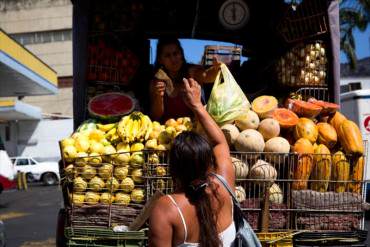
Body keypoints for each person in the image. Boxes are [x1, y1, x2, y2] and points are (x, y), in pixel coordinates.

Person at [149, 78, 236, 247]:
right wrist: (197, 105)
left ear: (173, 169)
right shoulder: (224, 186)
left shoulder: (167, 209)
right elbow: (220, 142)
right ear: (209, 162)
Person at [149, 38, 221, 122]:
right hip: (167, 132)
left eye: (175, 53)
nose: (173, 59)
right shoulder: (156, 83)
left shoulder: (192, 72)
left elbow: (207, 75)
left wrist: (216, 69)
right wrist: (159, 97)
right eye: (167, 55)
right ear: (160, 60)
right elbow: (155, 116)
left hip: (195, 130)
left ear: (181, 54)